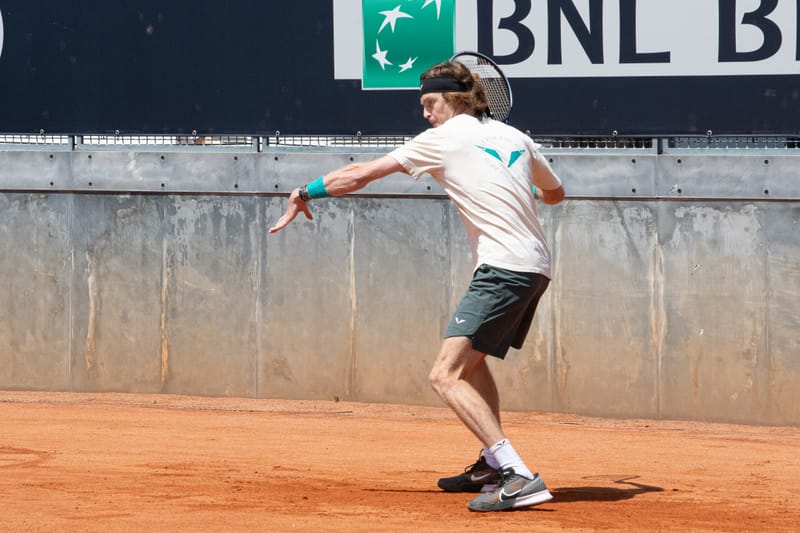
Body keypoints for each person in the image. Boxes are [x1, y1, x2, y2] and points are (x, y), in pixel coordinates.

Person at [269, 60, 565, 512]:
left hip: (503, 267)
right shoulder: (517, 138)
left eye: (430, 103)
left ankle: (516, 473)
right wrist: (523, 193)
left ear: (456, 99)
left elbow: (359, 174)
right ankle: (489, 463)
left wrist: (305, 192)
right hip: (535, 266)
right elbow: (556, 192)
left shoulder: (444, 138)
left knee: (443, 375)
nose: (425, 114)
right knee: (473, 365)